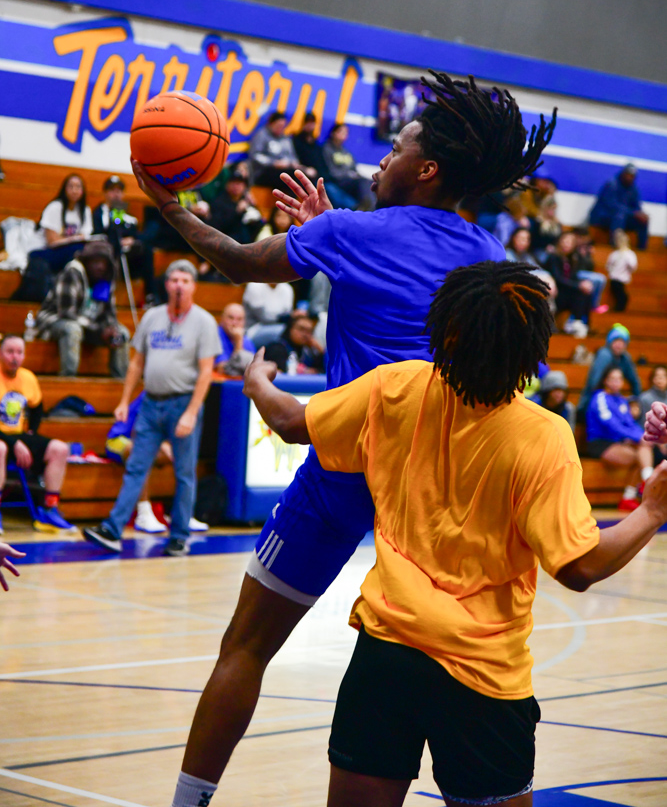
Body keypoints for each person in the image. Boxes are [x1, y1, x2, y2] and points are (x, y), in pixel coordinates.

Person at [130, 70, 557, 807]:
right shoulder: (493, 259)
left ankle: (187, 802)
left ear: (426, 168)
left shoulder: (350, 232)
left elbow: (235, 260)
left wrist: (171, 207)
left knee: (246, 647)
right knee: (445, 671)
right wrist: (333, 236)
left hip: (342, 472)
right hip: (436, 495)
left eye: (395, 148)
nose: (380, 159)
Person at [242, 261, 667, 807]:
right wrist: (651, 510)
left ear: (445, 332)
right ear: (532, 354)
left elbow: (290, 422)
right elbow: (580, 565)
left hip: (385, 655)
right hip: (483, 675)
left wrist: (257, 382)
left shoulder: (396, 386)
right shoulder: (544, 437)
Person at [82, 259, 221, 556]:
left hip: (183, 402)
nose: (179, 285)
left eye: (185, 280)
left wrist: (191, 412)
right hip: (150, 402)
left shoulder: (204, 322)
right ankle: (112, 529)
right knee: (136, 466)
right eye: (174, 280)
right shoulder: (153, 317)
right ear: (166, 285)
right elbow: (136, 363)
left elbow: (206, 372)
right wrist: (123, 401)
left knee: (184, 472)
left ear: (194, 286)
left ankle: (179, 536)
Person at [105, 391, 209, 534]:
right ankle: (143, 513)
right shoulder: (156, 395)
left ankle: (182, 515)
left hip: (151, 442)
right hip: (119, 439)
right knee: (138, 451)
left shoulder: (185, 398)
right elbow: (140, 432)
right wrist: (162, 444)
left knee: (183, 456)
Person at [0, 334, 73, 533]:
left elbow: (37, 407)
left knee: (59, 448)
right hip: (3, 439)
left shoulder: (28, 378)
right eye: (9, 352)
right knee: (0, 448)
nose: (15, 357)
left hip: (17, 435)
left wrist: (31, 433)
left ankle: (49, 510)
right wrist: (14, 443)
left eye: (19, 352)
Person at [35, 239, 130, 378]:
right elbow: (67, 313)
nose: (99, 267)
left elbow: (109, 314)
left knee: (122, 333)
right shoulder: (73, 272)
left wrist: (111, 329)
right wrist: (100, 330)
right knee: (72, 329)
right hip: (54, 320)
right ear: (86, 261)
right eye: (95, 262)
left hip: (88, 326)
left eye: (103, 262)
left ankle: (121, 381)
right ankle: (68, 378)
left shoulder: (105, 279)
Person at [586, 364, 654, 510]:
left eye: (619, 379)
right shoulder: (600, 398)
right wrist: (638, 437)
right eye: (612, 379)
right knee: (639, 456)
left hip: (617, 442)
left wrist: (644, 436)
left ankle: (642, 486)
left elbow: (630, 424)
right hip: (600, 443)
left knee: (644, 447)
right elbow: (611, 425)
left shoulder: (622, 400)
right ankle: (647, 484)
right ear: (605, 380)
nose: (616, 382)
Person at [92, 175, 155, 302]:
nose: (116, 194)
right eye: (112, 190)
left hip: (126, 254)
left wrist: (131, 241)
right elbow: (99, 233)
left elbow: (133, 234)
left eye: (119, 191)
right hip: (107, 251)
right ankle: (102, 294)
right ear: (105, 193)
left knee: (146, 249)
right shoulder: (98, 213)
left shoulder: (127, 216)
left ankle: (150, 295)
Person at [31, 172, 94, 273]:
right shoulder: (54, 207)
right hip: (46, 251)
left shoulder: (85, 210)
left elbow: (84, 237)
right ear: (64, 189)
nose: (74, 191)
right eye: (71, 186)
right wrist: (73, 239)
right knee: (77, 250)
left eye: (78, 187)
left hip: (71, 250)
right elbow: (52, 242)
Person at [577, 323, 641, 419]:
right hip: (595, 402)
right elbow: (593, 382)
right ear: (610, 341)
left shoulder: (625, 358)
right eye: (616, 341)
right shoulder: (604, 355)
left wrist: (636, 401)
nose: (619, 345)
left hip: (613, 399)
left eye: (622, 342)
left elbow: (634, 381)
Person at [589, 163, 649, 249]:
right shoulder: (612, 184)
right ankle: (615, 247)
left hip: (622, 218)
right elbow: (611, 206)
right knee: (619, 216)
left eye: (632, 176)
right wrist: (633, 213)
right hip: (603, 216)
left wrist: (640, 214)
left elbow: (636, 207)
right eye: (628, 174)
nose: (629, 177)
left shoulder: (633, 189)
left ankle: (642, 250)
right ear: (623, 173)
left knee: (643, 220)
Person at [248, 111, 314, 189]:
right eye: (278, 126)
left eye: (283, 126)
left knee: (303, 176)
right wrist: (274, 163)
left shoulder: (285, 139)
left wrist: (294, 164)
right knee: (290, 177)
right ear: (271, 124)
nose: (280, 129)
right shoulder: (262, 135)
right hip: (264, 171)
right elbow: (255, 155)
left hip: (285, 170)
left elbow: (292, 156)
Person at [545, 232, 593, 337]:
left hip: (566, 292)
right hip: (556, 293)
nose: (567, 244)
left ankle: (583, 323)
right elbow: (558, 279)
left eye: (570, 242)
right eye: (565, 241)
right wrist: (578, 286)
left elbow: (574, 277)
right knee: (579, 293)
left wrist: (583, 284)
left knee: (586, 291)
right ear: (560, 242)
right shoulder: (553, 257)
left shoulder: (571, 259)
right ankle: (575, 322)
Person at [322, 122, 373, 209]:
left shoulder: (346, 152)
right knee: (362, 182)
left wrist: (355, 175)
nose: (344, 135)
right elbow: (330, 171)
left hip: (350, 180)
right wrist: (348, 174)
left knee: (369, 181)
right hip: (338, 180)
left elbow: (354, 169)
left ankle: (370, 207)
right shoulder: (327, 149)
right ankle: (365, 207)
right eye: (341, 132)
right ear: (333, 133)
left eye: (346, 132)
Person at [208, 168, 264, 245]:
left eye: (239, 183)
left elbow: (260, 224)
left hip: (248, 244)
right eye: (233, 183)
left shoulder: (247, 202)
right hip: (226, 244)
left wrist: (254, 209)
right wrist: (237, 211)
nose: (236, 186)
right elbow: (216, 226)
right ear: (227, 185)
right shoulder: (218, 202)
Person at [505, 227, 557, 309]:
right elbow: (519, 273)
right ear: (513, 238)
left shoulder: (526, 255)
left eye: (526, 239)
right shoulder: (507, 254)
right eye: (521, 238)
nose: (523, 242)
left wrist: (549, 277)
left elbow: (537, 269)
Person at [242, 280, 295, 347]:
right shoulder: (254, 285)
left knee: (295, 331)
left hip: (279, 327)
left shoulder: (287, 288)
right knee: (287, 331)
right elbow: (263, 318)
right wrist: (282, 318)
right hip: (253, 329)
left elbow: (288, 315)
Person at [214, 302, 256, 377]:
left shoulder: (247, 341)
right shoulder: (215, 337)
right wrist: (238, 342)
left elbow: (254, 368)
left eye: (239, 319)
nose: (235, 323)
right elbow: (223, 370)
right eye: (230, 318)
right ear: (222, 318)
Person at [606, 229, 638, 312]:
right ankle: (617, 311)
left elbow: (633, 266)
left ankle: (619, 311)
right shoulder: (615, 254)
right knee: (620, 296)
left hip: (622, 278)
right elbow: (608, 266)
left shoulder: (629, 254)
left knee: (623, 297)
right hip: (614, 278)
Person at [529, 194, 562, 263]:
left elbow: (558, 240)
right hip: (539, 250)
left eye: (554, 209)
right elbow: (534, 240)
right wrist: (545, 247)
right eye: (551, 209)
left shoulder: (557, 224)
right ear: (545, 208)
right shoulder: (538, 222)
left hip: (553, 251)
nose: (553, 211)